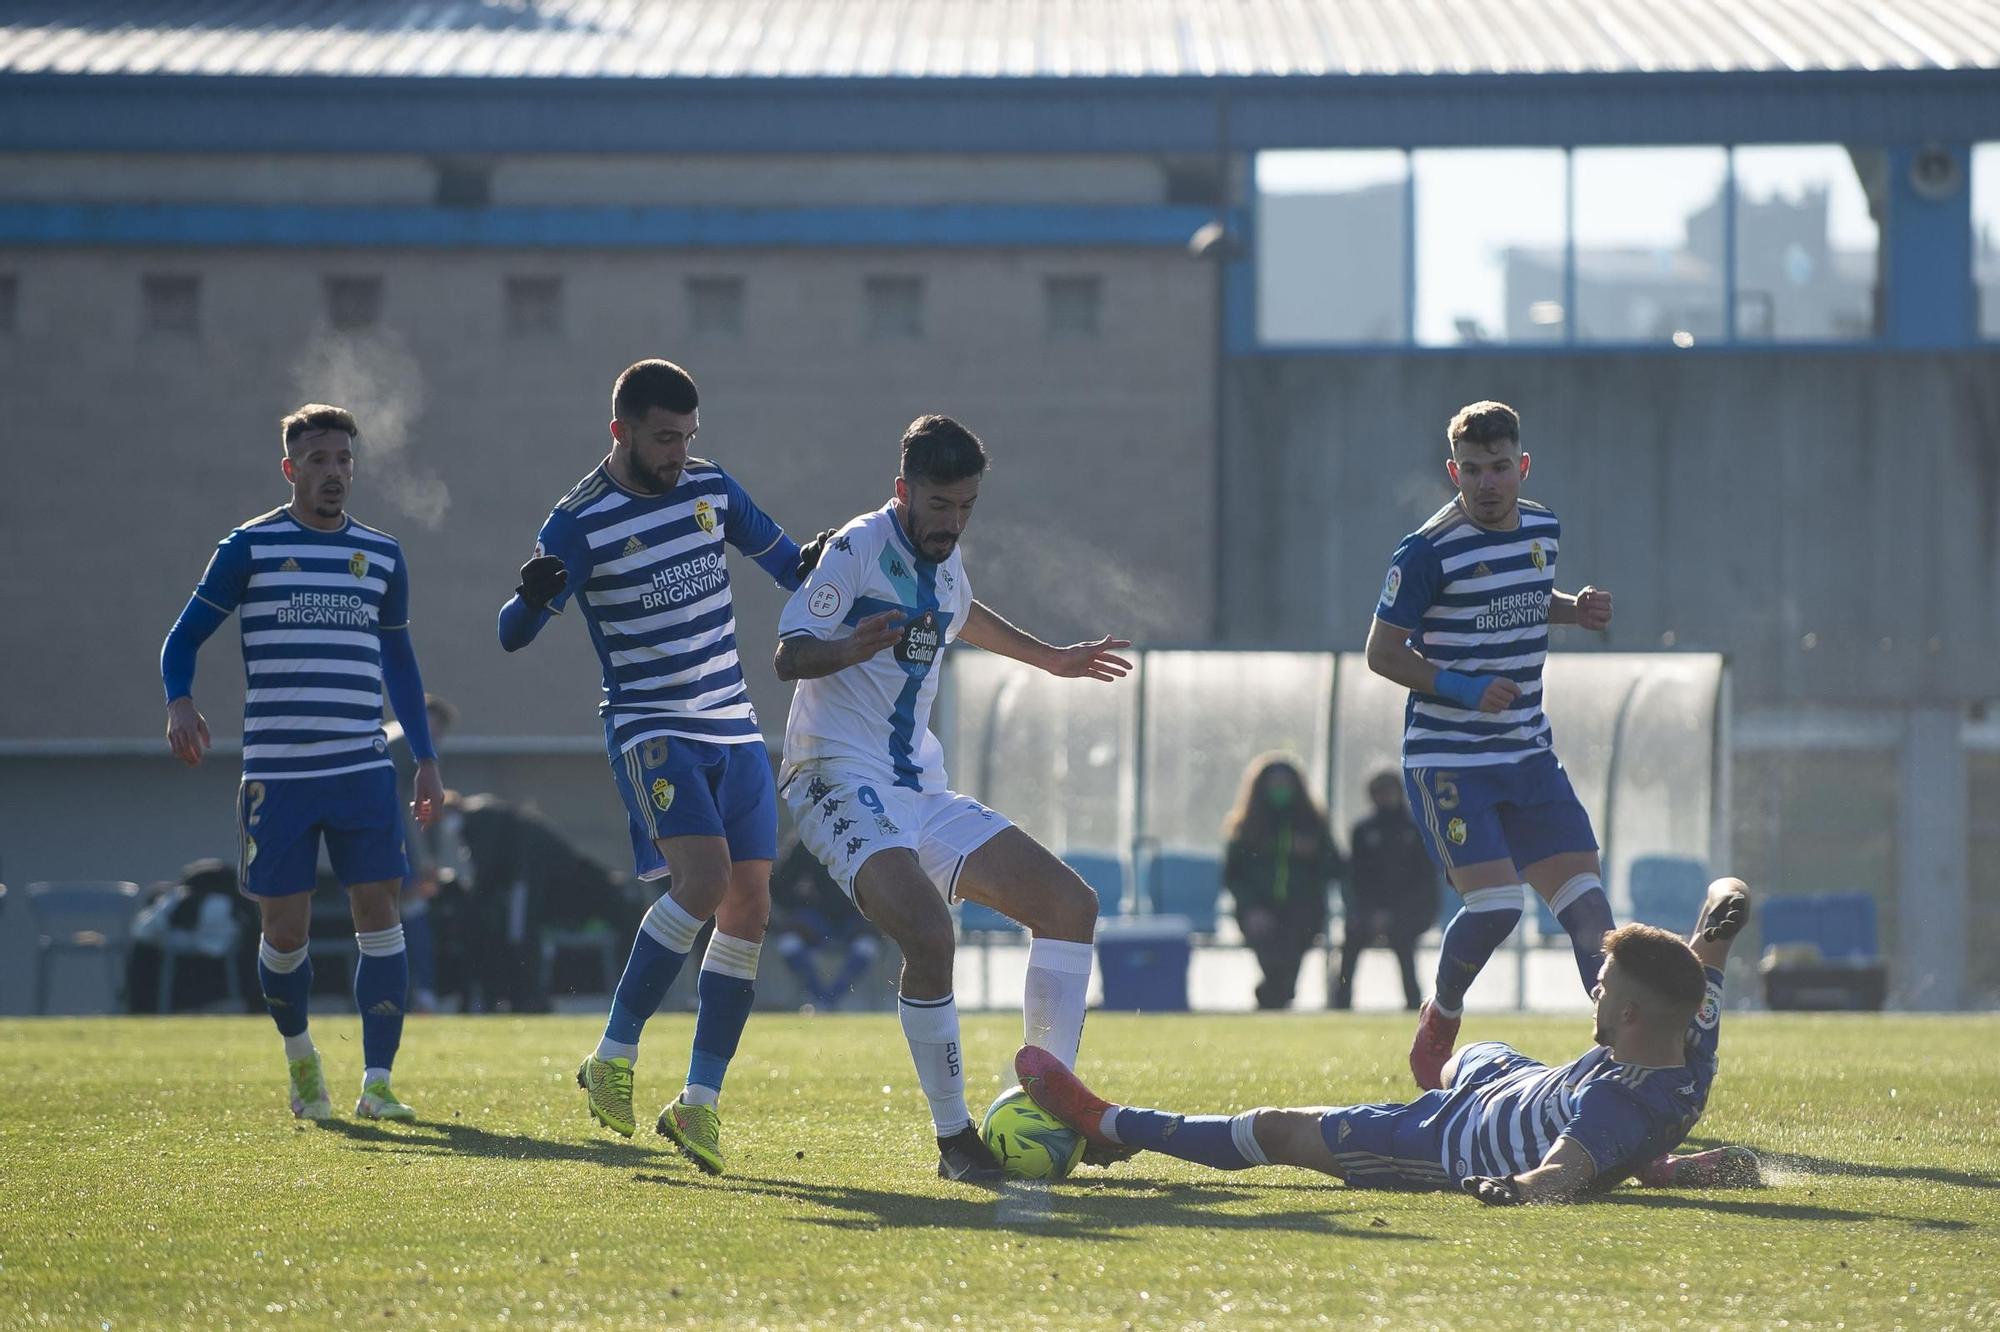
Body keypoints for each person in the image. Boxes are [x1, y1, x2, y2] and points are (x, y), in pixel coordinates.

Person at [774, 413, 1132, 1181]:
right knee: (932, 938)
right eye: (940, 505)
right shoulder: (857, 547)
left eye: (967, 506)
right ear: (903, 491)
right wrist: (848, 646)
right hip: (833, 777)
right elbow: (788, 652)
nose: (953, 522)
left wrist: (1051, 660)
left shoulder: (945, 556)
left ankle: (1055, 1098)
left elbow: (960, 613)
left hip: (916, 788)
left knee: (1071, 906)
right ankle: (954, 1141)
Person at [497, 358, 809, 1175]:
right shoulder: (579, 522)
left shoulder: (712, 490)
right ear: (621, 431)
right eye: (664, 439)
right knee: (700, 884)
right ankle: (613, 1054)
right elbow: (510, 635)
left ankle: (698, 1103)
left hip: (734, 725)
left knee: (750, 904)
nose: (678, 454)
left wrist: (855, 563)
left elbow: (791, 567)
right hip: (650, 726)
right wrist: (529, 599)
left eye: (687, 438)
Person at [1018, 878, 1762, 1201]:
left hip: (1445, 1139)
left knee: (1279, 1131)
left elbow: (1560, 1175)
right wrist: (1730, 903)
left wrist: (1513, 1188)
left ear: (1630, 1017)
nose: (1594, 992)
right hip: (1517, 1084)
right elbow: (1712, 937)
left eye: (1603, 989)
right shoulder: (1690, 1034)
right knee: (1484, 1051)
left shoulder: (1610, 1107)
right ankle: (1650, 1165)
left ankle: (1108, 1122)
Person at [161, 403, 444, 1121]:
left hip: (360, 771)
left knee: (379, 913)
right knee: (283, 932)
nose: (333, 473)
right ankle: (301, 1061)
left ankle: (378, 1082)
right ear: (291, 469)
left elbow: (402, 666)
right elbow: (182, 639)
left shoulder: (380, 556)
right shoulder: (248, 549)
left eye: (343, 460)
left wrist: (428, 759)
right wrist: (180, 702)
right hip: (279, 777)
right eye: (318, 460)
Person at [1364, 400, 1617, 1089]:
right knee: (1498, 908)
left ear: (1522, 466)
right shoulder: (1425, 552)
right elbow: (1382, 653)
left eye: (1500, 468)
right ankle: (1442, 1013)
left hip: (1529, 754)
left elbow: (1529, 596)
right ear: (1454, 472)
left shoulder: (1543, 527)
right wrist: (1463, 686)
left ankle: (1627, 1062)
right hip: (1449, 760)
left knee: (1592, 911)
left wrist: (1574, 610)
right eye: (1472, 470)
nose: (1487, 483)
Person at [1222, 755, 1343, 1011]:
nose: (1280, 790)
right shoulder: (1246, 828)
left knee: (1292, 943)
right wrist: (1251, 907)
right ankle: (1275, 993)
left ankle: (1270, 994)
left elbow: (1336, 868)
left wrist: (1314, 855)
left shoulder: (1313, 824)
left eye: (1285, 783)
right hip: (1258, 909)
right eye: (1275, 784)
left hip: (1304, 910)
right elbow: (1232, 876)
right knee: (1273, 952)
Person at [1335, 770, 1438, 1011]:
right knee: (1351, 939)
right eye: (1379, 792)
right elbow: (1357, 879)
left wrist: (1395, 912)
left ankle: (1414, 1002)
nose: (1385, 797)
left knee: (1403, 938)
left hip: (1409, 912)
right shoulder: (1363, 831)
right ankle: (1341, 1001)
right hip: (1369, 912)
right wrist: (1369, 912)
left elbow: (1423, 881)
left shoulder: (1416, 829)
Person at [393, 693, 458, 1013]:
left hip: (376, 839)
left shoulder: (394, 738)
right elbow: (423, 809)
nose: (436, 737)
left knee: (399, 917)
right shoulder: (406, 745)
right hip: (380, 837)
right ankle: (423, 993)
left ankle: (409, 994)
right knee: (409, 913)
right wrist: (424, 864)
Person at [126, 859, 259, 1014]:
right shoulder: (175, 900)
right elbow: (143, 930)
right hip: (179, 966)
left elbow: (216, 944)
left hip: (220, 971)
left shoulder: (221, 905)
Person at [769, 833, 882, 1011]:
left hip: (855, 917)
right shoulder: (807, 840)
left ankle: (830, 1000)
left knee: (867, 944)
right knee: (788, 941)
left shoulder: (864, 836)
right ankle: (819, 997)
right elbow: (781, 885)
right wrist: (800, 900)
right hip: (816, 918)